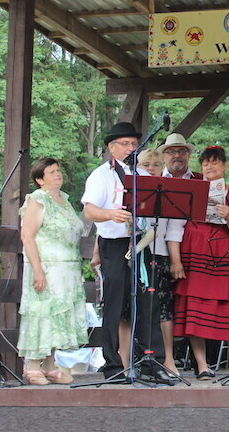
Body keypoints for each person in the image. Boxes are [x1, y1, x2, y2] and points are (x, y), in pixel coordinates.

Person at [82, 121, 172, 384]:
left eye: (133, 144)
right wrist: (112, 214)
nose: (130, 148)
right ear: (112, 147)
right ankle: (112, 365)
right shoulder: (101, 175)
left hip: (141, 243)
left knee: (147, 303)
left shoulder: (141, 175)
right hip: (115, 245)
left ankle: (151, 362)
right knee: (114, 305)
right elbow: (89, 210)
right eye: (125, 144)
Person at [171, 145, 229, 378]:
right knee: (195, 308)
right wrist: (176, 261)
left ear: (225, 166)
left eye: (214, 162)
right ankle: (202, 365)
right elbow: (175, 228)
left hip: (223, 252)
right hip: (193, 250)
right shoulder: (191, 190)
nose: (209, 167)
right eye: (205, 163)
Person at [18, 158, 87, 385]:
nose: (58, 174)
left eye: (58, 170)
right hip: (47, 265)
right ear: (40, 179)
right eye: (51, 172)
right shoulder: (37, 199)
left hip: (67, 268)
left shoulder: (64, 200)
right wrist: (38, 270)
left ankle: (49, 364)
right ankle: (32, 365)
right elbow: (27, 236)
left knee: (59, 315)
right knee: (43, 313)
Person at [154, 133, 201, 375]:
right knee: (161, 306)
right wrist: (175, 260)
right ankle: (161, 358)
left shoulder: (200, 180)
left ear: (188, 155)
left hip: (195, 253)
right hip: (162, 253)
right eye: (172, 151)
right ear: (164, 156)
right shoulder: (155, 180)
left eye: (182, 151)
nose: (177, 156)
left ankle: (196, 360)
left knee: (190, 308)